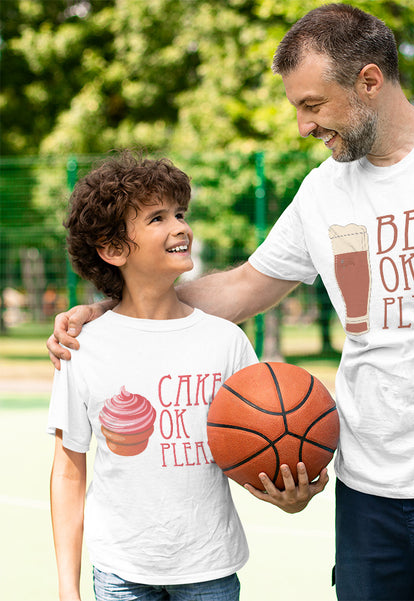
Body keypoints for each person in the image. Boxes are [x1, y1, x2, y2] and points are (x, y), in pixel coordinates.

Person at [48, 5, 414, 600]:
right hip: (365, 487)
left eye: (313, 105)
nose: (303, 126)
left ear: (370, 81)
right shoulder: (322, 192)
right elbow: (240, 288)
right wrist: (112, 310)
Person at [47, 151, 326, 601]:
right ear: (113, 249)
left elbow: (257, 443)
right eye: (157, 218)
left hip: (209, 567)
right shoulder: (84, 346)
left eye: (180, 213)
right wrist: (66, 587)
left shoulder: (225, 340)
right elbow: (68, 471)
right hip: (120, 569)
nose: (180, 226)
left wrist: (288, 494)